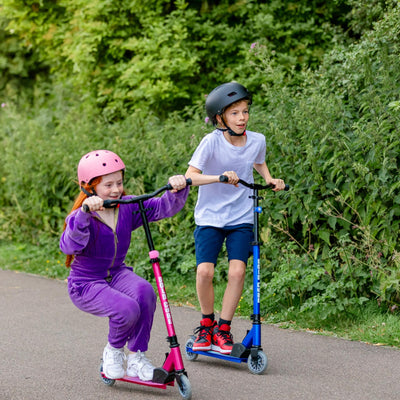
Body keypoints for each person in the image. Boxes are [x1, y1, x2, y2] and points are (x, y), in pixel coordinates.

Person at [60, 149, 189, 381]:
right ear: (89, 187)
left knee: (145, 292)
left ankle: (137, 358)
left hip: (117, 273)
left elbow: (163, 207)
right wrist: (85, 214)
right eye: (108, 185)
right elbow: (69, 246)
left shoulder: (127, 205)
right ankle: (113, 351)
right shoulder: (80, 216)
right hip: (85, 283)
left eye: (119, 182)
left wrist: (177, 189)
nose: (116, 190)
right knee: (126, 309)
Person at [185, 82, 286, 355]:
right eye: (234, 113)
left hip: (241, 216)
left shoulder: (257, 139)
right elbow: (190, 176)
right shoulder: (211, 142)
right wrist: (218, 177)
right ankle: (207, 323)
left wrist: (269, 179)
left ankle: (223, 328)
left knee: (237, 271)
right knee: (205, 271)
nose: (242, 118)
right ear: (220, 118)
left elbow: (258, 161)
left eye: (245, 111)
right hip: (210, 217)